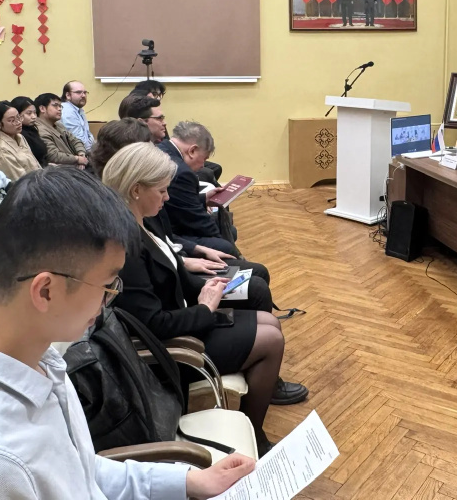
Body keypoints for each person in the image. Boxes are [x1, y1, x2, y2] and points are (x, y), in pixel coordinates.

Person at [0, 166, 255, 499]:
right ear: (46, 291)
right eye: (108, 285)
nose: (110, 298)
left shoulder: (37, 359)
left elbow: (80, 473)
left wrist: (189, 481)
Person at [102, 144, 308, 457]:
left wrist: (209, 286)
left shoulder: (145, 221)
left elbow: (175, 271)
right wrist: (205, 308)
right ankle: (256, 438)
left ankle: (253, 428)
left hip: (186, 321)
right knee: (270, 339)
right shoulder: (125, 245)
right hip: (171, 350)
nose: (167, 198)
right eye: (162, 191)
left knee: (269, 321)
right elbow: (154, 324)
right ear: (136, 190)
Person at [90, 120, 273, 305]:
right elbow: (156, 304)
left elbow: (164, 242)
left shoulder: (138, 204)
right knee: (254, 285)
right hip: (176, 289)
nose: (166, 197)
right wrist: (204, 305)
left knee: (255, 275)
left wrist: (187, 258)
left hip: (178, 264)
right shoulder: (126, 227)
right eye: (149, 147)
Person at [159, 121, 238, 256]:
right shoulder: (182, 172)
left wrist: (203, 199)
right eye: (204, 158)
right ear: (192, 150)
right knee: (225, 245)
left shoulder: (161, 147)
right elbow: (197, 221)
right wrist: (221, 240)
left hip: (164, 224)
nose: (203, 166)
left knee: (230, 231)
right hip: (169, 234)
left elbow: (175, 202)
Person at [0, 101, 40, 181]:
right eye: (12, 120)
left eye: (18, 117)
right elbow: (18, 179)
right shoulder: (0, 148)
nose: (18, 122)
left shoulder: (19, 137)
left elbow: (35, 163)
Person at [35, 92, 88, 167]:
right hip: (61, 170)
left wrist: (81, 154)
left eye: (60, 106)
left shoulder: (58, 125)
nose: (59, 109)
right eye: (55, 105)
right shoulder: (39, 129)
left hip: (73, 166)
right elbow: (53, 155)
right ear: (42, 108)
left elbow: (76, 141)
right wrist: (77, 159)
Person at [12, 95, 48, 167]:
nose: (34, 116)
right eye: (29, 113)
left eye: (35, 113)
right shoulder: (19, 134)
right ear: (18, 115)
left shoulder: (32, 129)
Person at [60, 80, 95, 150]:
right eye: (78, 92)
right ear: (68, 95)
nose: (83, 95)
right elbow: (80, 141)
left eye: (85, 92)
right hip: (77, 153)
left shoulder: (78, 109)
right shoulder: (67, 111)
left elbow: (88, 135)